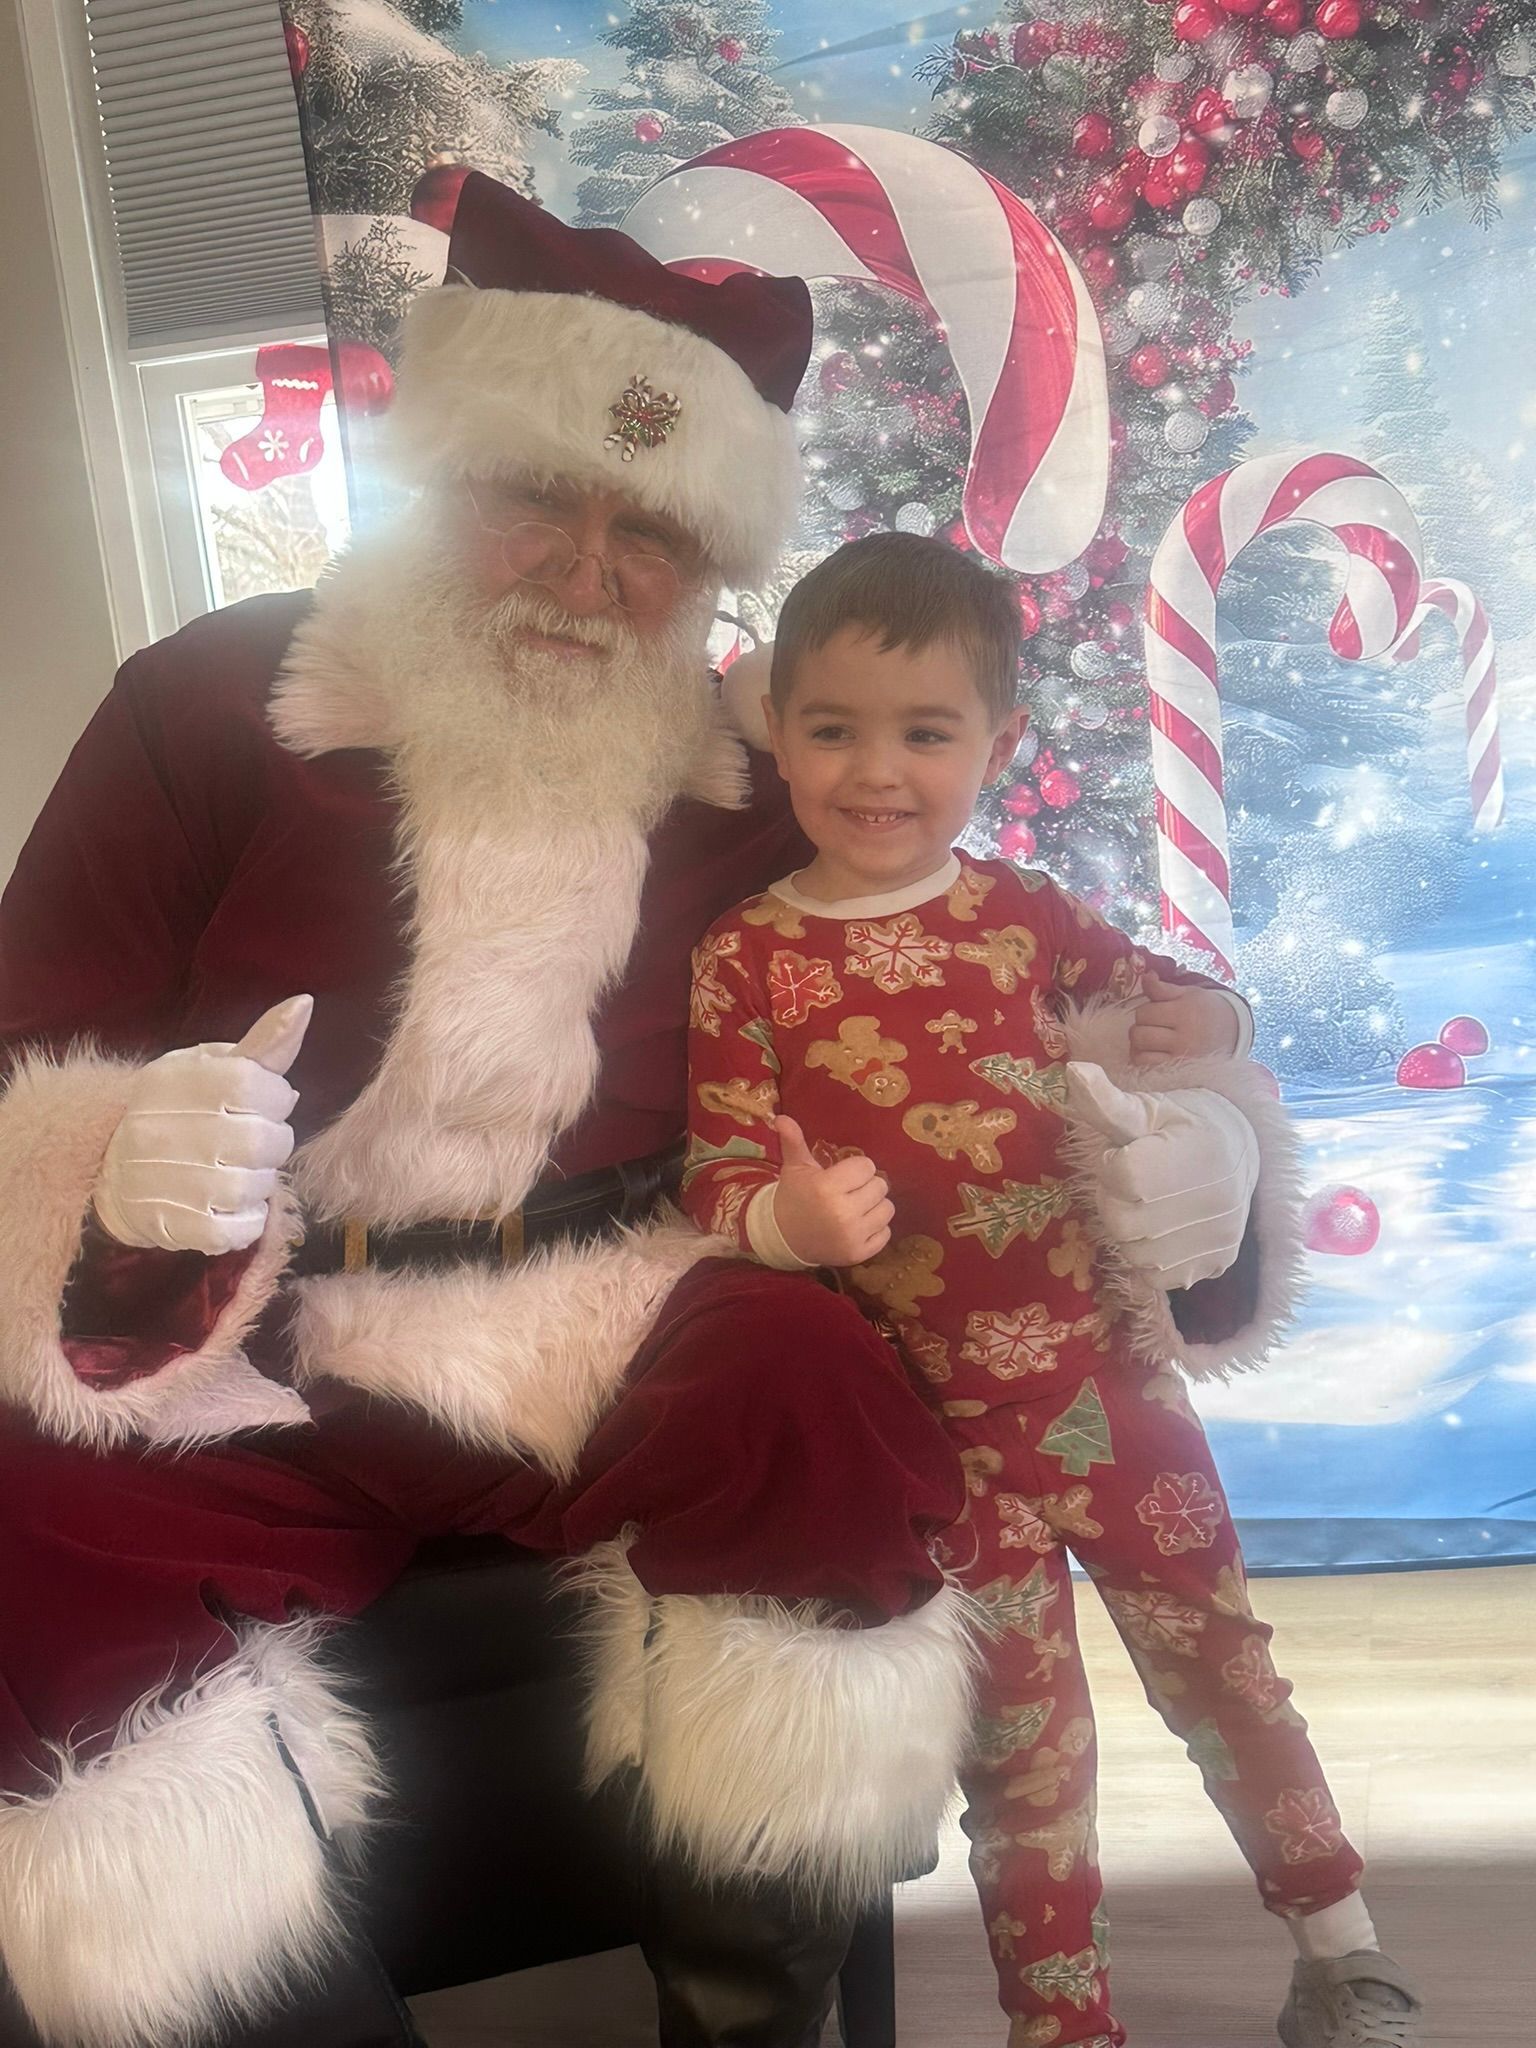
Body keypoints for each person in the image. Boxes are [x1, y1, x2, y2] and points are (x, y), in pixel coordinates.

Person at [682, 534, 1424, 2048]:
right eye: (833, 729)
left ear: (998, 741)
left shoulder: (1027, 917)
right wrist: (788, 1222)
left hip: (1111, 1390)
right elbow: (715, 1179)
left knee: (1223, 1666)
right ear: (780, 736)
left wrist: (1211, 1020)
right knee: (1022, 1756)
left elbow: (1180, 1001)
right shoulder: (745, 959)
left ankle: (1340, 1948)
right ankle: (1061, 2023)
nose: (875, 771)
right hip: (931, 1439)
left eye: (924, 732)